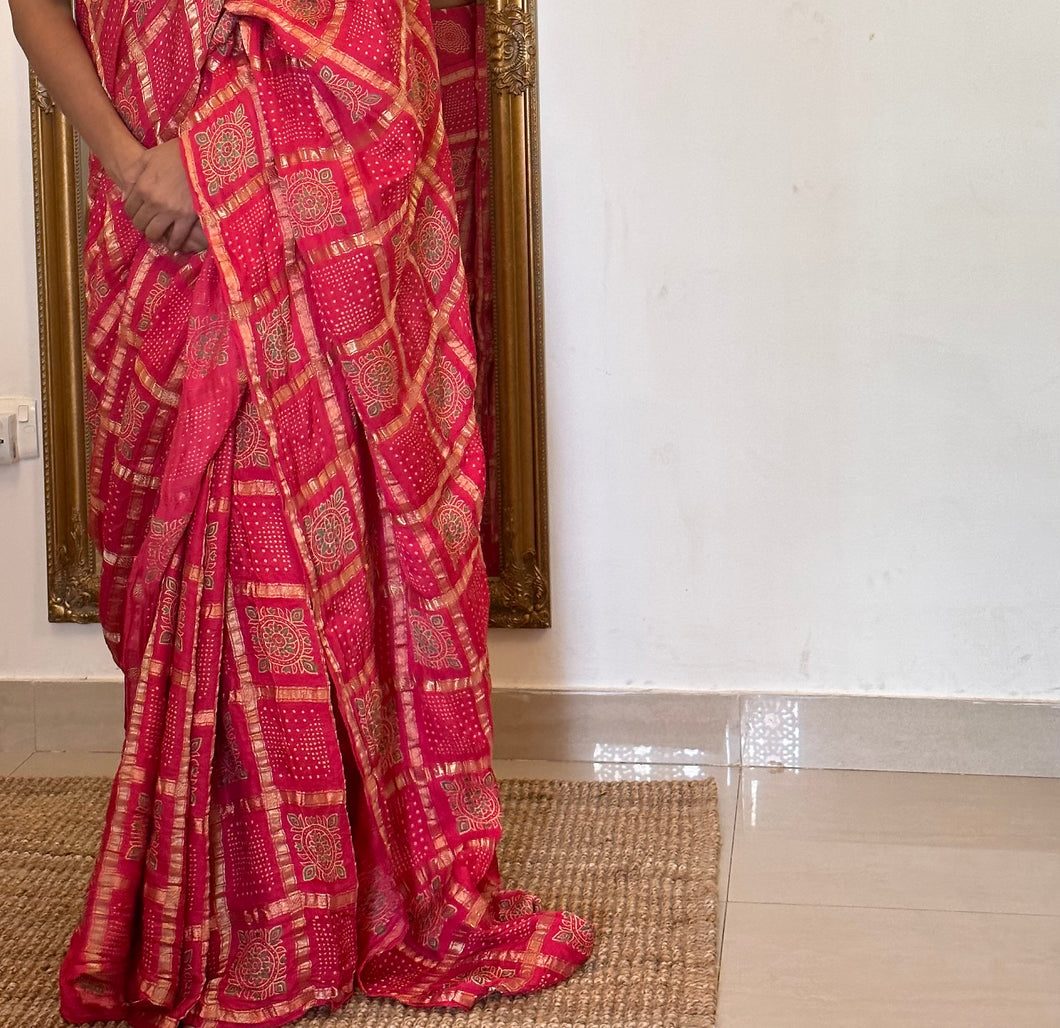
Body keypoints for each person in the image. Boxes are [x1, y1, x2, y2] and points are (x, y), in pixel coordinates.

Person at [8, 0, 594, 1024]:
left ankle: (318, 907)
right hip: (149, 201)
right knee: (203, 546)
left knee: (285, 527)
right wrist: (132, 161)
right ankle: (227, 902)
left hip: (303, 195)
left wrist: (230, 157)